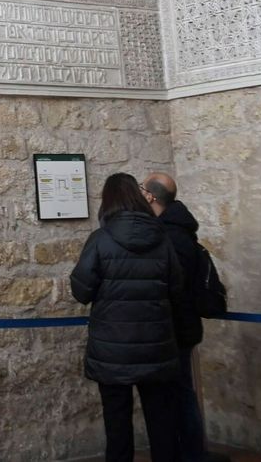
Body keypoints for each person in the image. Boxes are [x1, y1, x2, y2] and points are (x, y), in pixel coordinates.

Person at [71, 172, 187, 462]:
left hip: (113, 349)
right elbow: (176, 287)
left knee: (117, 426)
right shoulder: (161, 238)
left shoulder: (100, 240)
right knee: (162, 425)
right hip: (156, 346)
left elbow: (82, 291)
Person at [143, 172, 224, 462]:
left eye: (143, 188)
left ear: (151, 196)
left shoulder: (170, 236)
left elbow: (172, 286)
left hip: (175, 326)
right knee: (178, 391)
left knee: (179, 393)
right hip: (180, 325)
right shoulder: (179, 229)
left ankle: (190, 453)